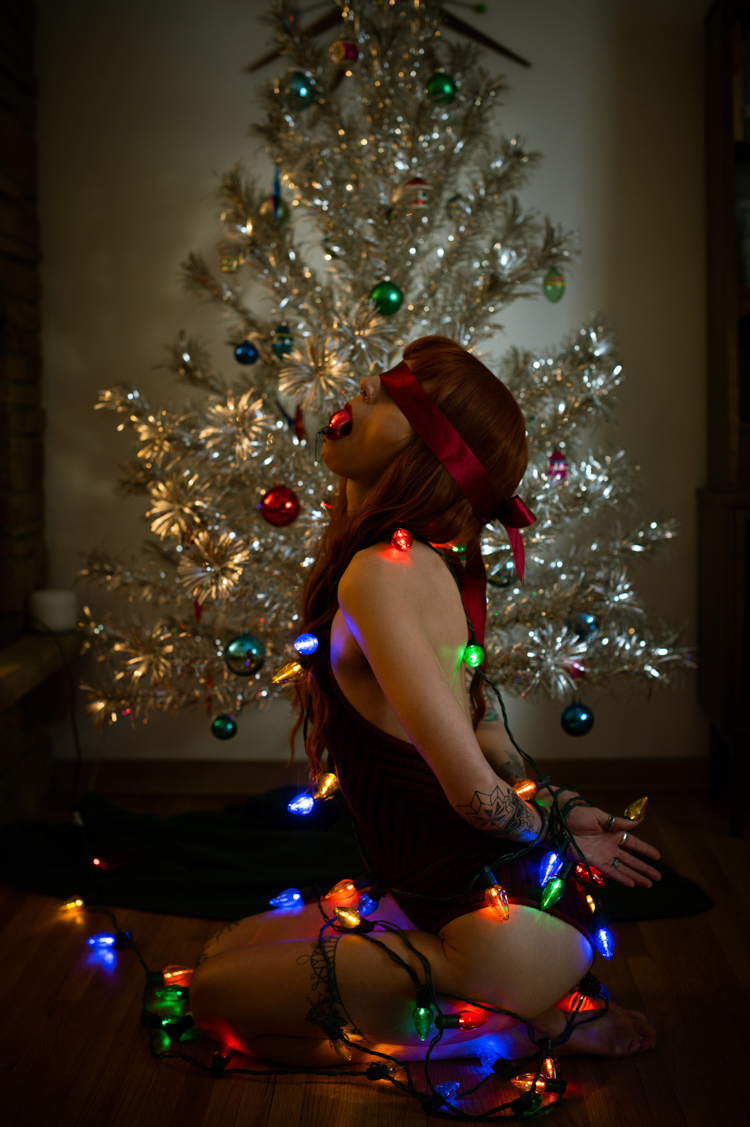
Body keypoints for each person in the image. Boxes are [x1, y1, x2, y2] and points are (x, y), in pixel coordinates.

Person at [190, 336, 660, 1068]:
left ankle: (519, 1026)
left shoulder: (381, 575)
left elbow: (478, 792)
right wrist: (563, 805)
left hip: (493, 930)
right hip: (486, 906)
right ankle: (537, 1003)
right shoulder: (435, 562)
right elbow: (492, 736)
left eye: (388, 396)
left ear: (433, 450)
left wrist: (557, 833)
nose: (358, 394)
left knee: (206, 1001)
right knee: (222, 951)